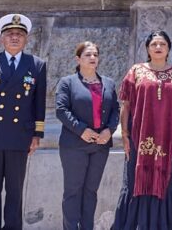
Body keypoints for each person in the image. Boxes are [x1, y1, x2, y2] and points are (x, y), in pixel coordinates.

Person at [0, 14, 48, 230]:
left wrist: (37, 135)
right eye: (10, 34)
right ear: (1, 38)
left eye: (20, 34)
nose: (15, 37)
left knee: (15, 192)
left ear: (26, 39)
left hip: (19, 137)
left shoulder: (37, 65)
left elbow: (39, 103)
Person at [112, 31, 172, 229]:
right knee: (135, 180)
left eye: (162, 44)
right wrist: (125, 135)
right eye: (154, 44)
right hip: (139, 138)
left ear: (168, 48)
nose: (158, 47)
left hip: (170, 139)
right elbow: (126, 105)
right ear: (147, 48)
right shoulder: (135, 71)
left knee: (170, 182)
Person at [55, 41, 119, 230]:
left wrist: (109, 130)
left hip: (100, 146)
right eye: (88, 55)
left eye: (95, 55)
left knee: (91, 192)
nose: (92, 58)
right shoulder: (67, 82)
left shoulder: (108, 83)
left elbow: (115, 110)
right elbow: (61, 110)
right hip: (74, 145)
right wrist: (81, 129)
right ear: (78, 59)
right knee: (73, 191)